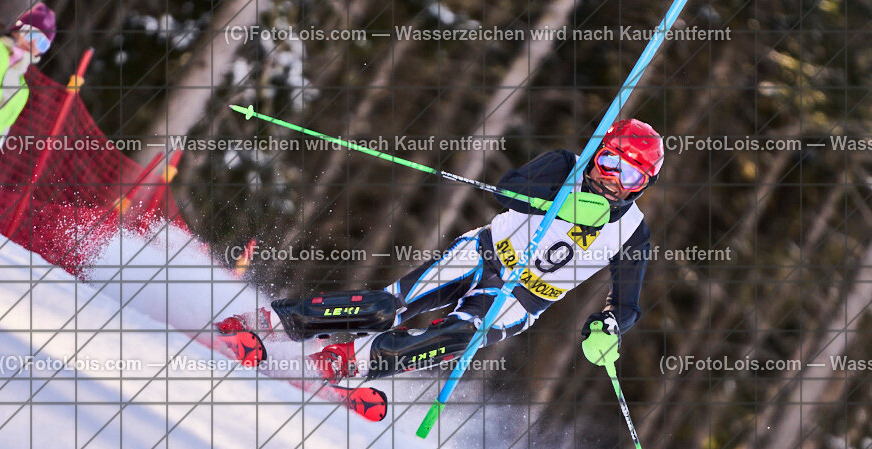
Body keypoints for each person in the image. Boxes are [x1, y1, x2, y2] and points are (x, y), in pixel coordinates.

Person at [218, 119, 663, 379]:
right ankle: (270, 322)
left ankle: (345, 363)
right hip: (485, 254)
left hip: (521, 298)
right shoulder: (567, 166)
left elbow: (626, 304)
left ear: (644, 186)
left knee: (460, 337)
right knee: (386, 308)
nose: (611, 181)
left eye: (630, 177)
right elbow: (508, 191)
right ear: (598, 152)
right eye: (609, 163)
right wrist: (562, 203)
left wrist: (608, 328)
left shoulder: (633, 234)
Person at [0, 3, 56, 209]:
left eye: (42, 44)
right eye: (31, 35)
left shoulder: (20, 90)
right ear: (18, 28)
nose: (33, 45)